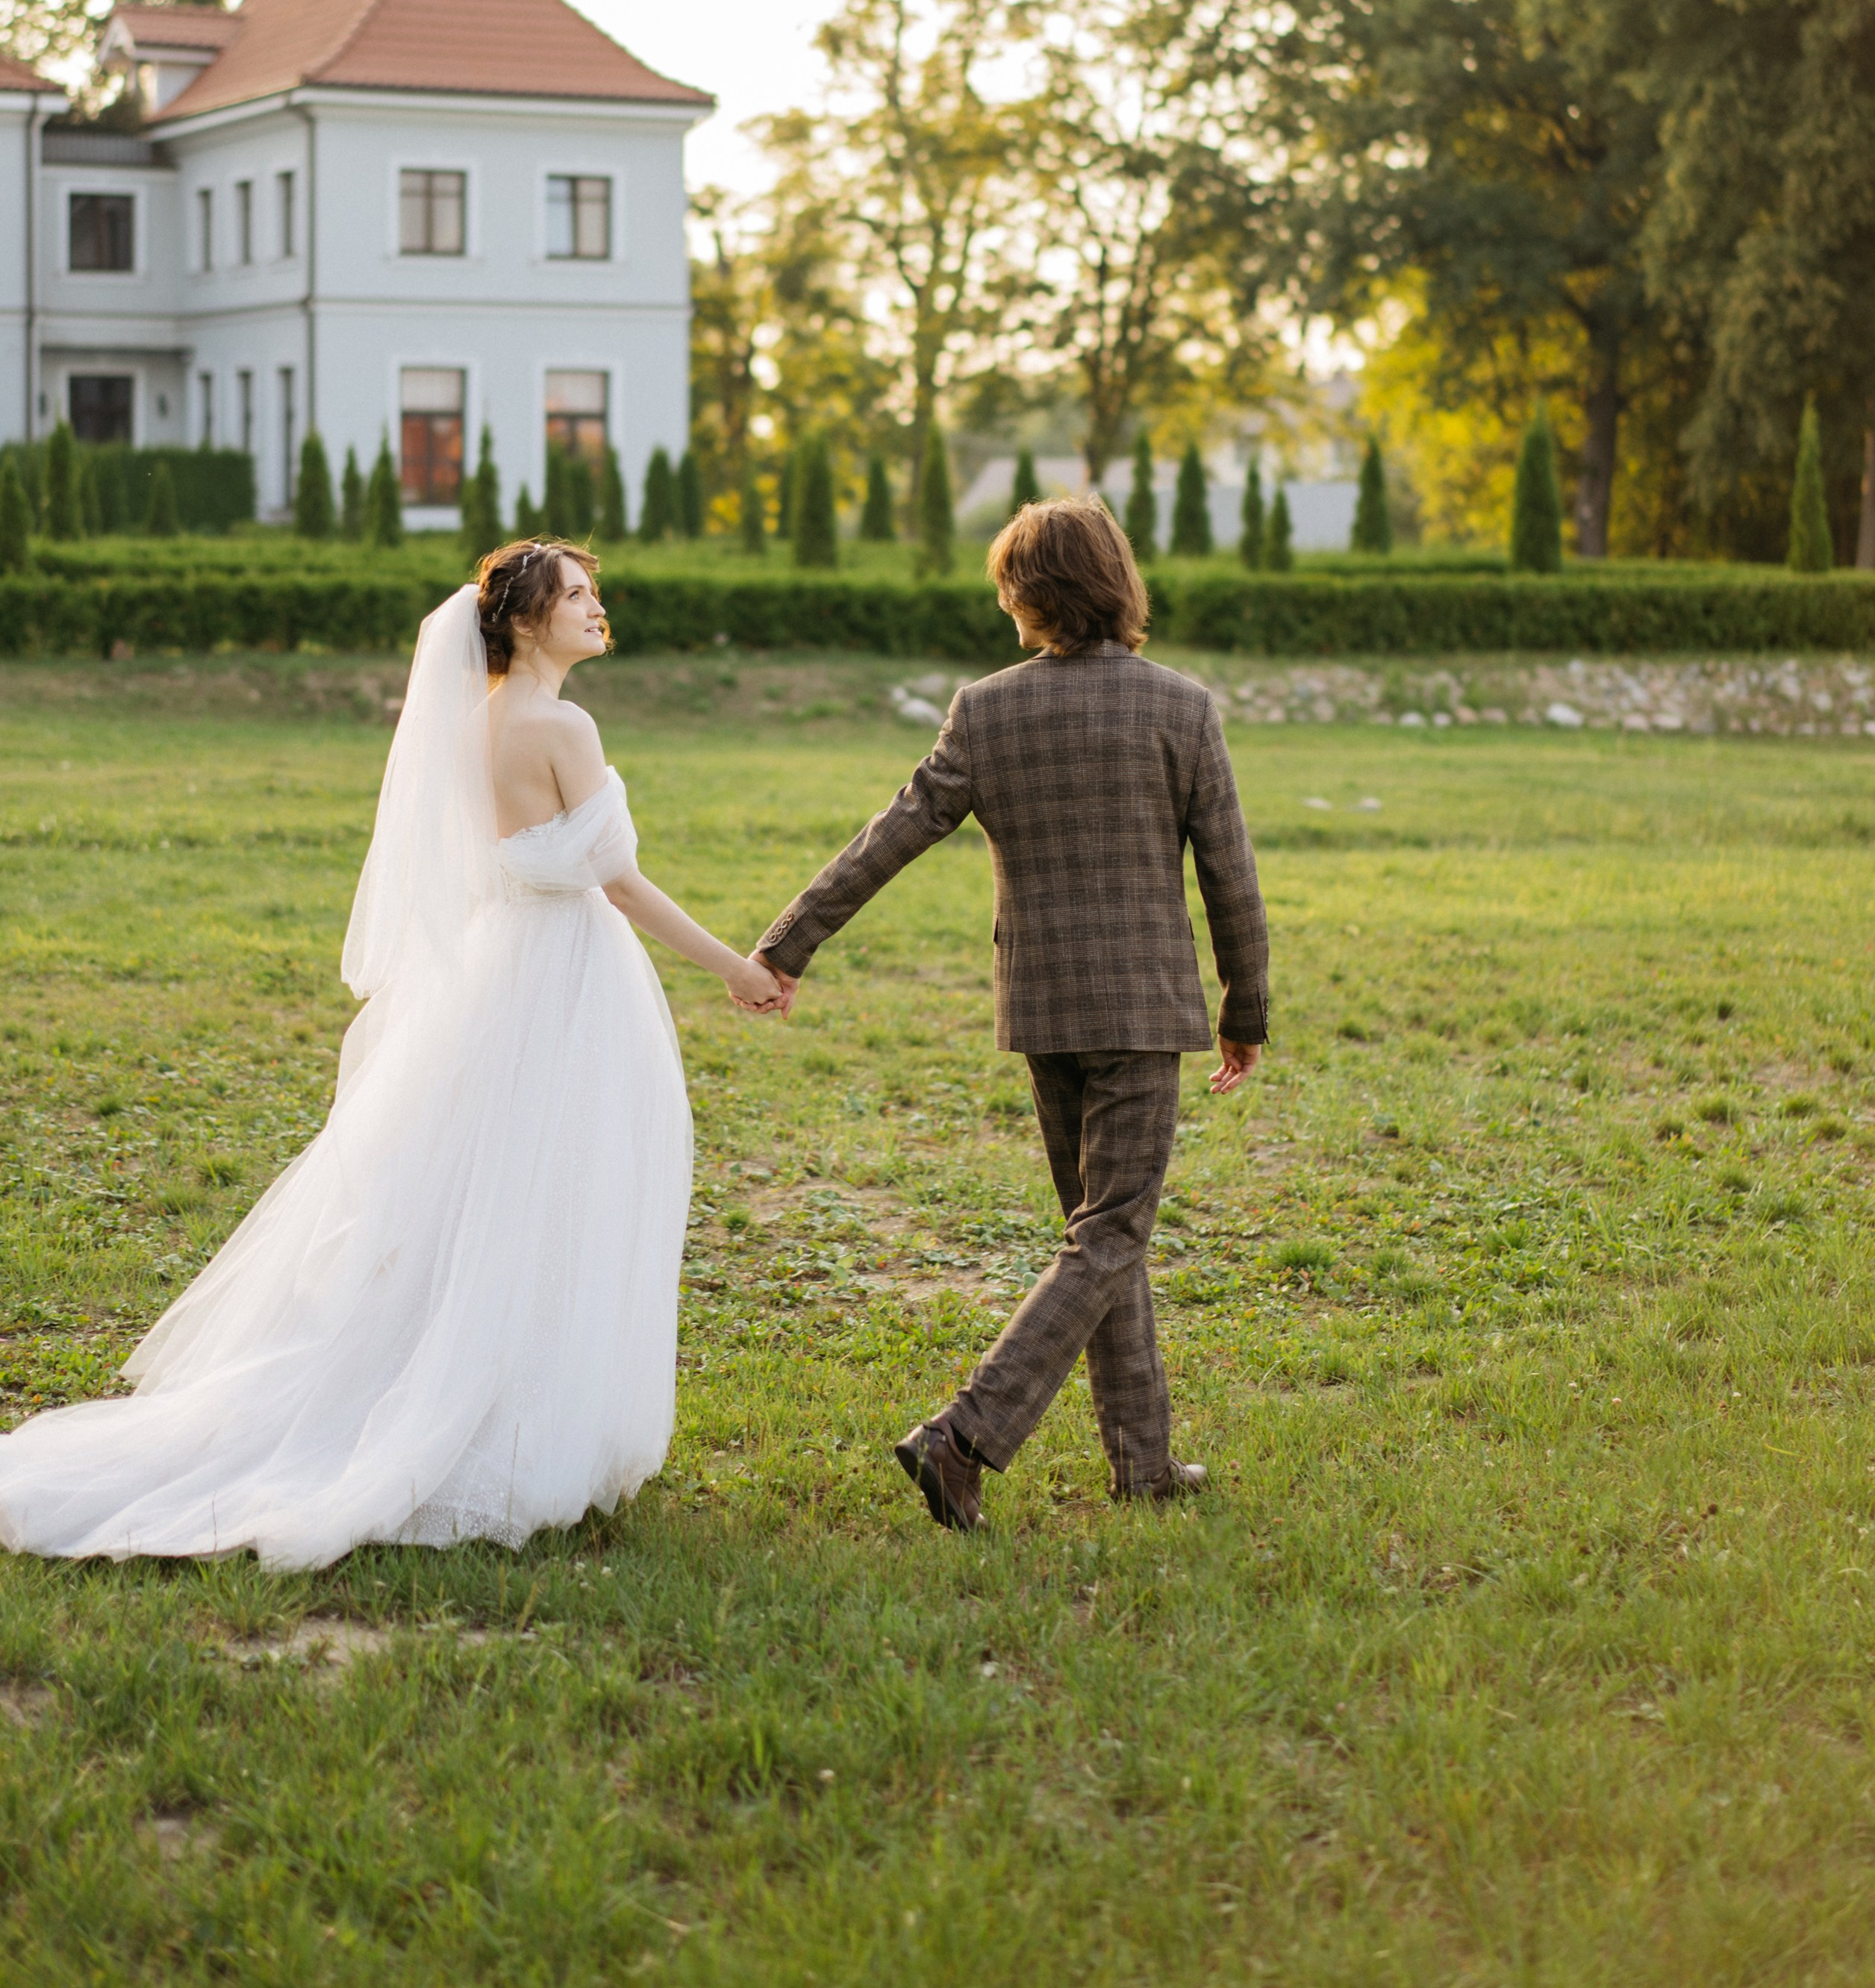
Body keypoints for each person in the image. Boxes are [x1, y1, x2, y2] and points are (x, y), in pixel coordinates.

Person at [0, 540, 781, 1569]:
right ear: (523, 619)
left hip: (500, 972)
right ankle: (513, 1427)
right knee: (555, 1196)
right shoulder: (562, 725)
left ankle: (476, 1391)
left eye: (596, 592)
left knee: (477, 1200)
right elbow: (620, 882)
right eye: (577, 596)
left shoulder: (470, 722)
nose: (598, 607)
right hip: (565, 979)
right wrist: (739, 966)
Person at [757, 494, 1268, 1529]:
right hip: (1142, 1009)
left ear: (1037, 597)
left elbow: (889, 836)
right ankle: (963, 1436)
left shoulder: (986, 710)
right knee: (1110, 1233)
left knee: (1100, 1236)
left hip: (1042, 1007)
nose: (1004, 607)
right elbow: (1231, 874)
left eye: (1009, 589)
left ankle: (1144, 1462)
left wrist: (788, 940)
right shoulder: (1181, 705)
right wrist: (1243, 1003)